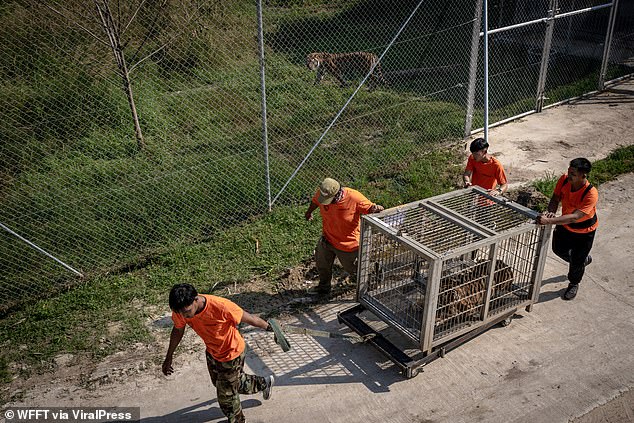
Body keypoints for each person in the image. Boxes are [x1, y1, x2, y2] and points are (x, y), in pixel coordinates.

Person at [162, 283, 274, 423]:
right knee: (224, 383)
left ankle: (237, 420)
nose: (185, 316)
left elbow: (250, 319)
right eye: (181, 313)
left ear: (196, 299)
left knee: (226, 395)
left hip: (232, 354)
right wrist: (169, 356)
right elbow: (178, 330)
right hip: (212, 352)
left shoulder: (221, 306)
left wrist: (270, 328)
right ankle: (264, 383)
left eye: (187, 311)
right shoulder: (181, 310)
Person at [305, 178, 384, 295]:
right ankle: (323, 288)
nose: (325, 202)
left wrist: (376, 209)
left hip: (349, 245)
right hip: (327, 239)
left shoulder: (354, 197)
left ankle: (373, 282)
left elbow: (371, 209)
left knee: (356, 271)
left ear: (337, 194)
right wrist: (309, 212)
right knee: (322, 265)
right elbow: (316, 201)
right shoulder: (323, 193)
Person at [537, 158, 598, 300]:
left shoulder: (590, 193)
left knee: (576, 261)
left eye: (573, 174)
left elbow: (575, 217)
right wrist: (551, 211)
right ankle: (581, 261)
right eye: (569, 171)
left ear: (584, 175)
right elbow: (555, 197)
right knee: (558, 249)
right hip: (565, 225)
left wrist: (549, 221)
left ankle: (574, 283)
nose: (569, 175)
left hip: (584, 231)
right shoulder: (564, 180)